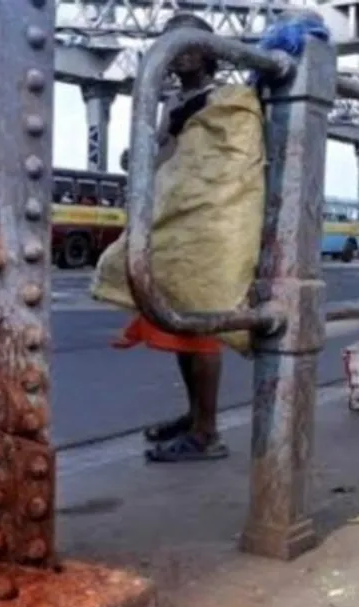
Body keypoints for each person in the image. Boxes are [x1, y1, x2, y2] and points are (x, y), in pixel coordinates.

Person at [112, 13, 227, 462]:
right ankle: (195, 416)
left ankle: (207, 433)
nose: (181, 54)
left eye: (191, 44)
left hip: (204, 225)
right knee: (181, 325)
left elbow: (214, 163)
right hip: (176, 221)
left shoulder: (220, 101)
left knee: (201, 327)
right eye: (173, 43)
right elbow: (167, 151)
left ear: (210, 52)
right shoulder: (178, 100)